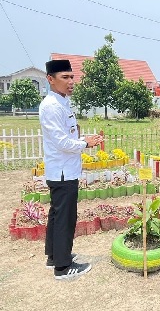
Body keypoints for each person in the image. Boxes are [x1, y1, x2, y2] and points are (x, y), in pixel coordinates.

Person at [40, 59, 103, 279]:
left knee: (57, 215)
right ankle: (63, 267)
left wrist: (85, 138)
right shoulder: (51, 106)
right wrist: (87, 144)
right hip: (62, 171)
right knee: (65, 217)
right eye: (64, 77)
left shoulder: (62, 102)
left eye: (72, 77)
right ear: (50, 79)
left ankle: (54, 256)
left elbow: (68, 136)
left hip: (65, 168)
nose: (70, 82)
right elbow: (62, 143)